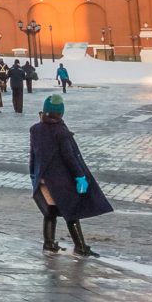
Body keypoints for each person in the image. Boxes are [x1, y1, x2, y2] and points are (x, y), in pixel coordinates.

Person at [30, 94, 111, 255]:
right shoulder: (60, 132)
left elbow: (33, 155)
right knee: (71, 211)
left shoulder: (36, 129)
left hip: (43, 179)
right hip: (60, 180)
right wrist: (80, 176)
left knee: (50, 211)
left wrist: (34, 174)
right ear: (60, 113)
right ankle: (80, 247)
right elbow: (70, 158)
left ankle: (49, 243)